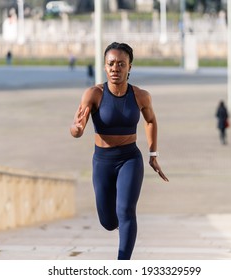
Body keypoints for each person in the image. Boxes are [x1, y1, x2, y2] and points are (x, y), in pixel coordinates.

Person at [70, 42, 169, 260]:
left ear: (130, 67)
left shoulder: (141, 96)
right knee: (108, 222)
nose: (116, 68)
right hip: (102, 161)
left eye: (121, 64)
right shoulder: (93, 94)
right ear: (105, 67)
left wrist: (153, 154)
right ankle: (117, 225)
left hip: (130, 159)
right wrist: (76, 130)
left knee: (126, 211)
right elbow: (78, 127)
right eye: (111, 64)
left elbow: (150, 120)